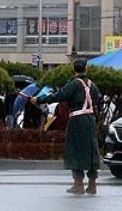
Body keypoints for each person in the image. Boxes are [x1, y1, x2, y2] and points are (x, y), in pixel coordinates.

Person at [31, 60, 100, 195]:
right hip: (90, 119)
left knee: (74, 150)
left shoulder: (73, 84)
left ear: (74, 70)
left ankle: (78, 184)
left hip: (76, 119)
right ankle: (92, 184)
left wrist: (38, 99)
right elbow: (97, 100)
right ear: (86, 69)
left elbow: (59, 95)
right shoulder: (93, 85)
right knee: (92, 150)